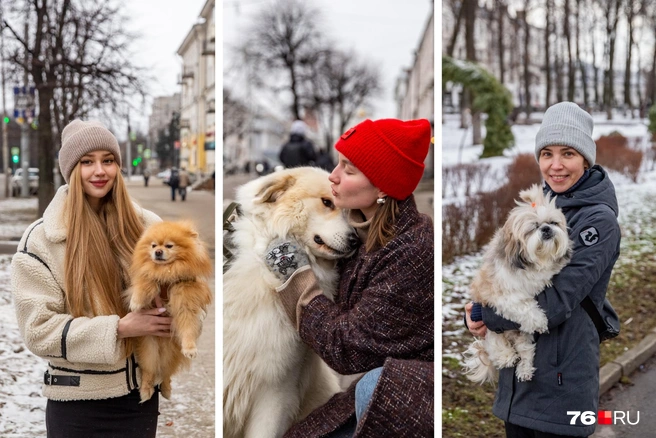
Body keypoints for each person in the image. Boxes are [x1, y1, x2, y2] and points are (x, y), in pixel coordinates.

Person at [264, 118, 434, 437]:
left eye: (349, 169)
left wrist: (296, 279)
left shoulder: (412, 250)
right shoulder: (362, 228)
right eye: (338, 162)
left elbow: (345, 346)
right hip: (374, 385)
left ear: (383, 186)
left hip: (406, 397)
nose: (333, 176)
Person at [465, 102, 621, 438]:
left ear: (585, 159)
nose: (555, 165)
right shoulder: (542, 207)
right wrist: (478, 307)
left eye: (568, 153)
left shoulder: (598, 221)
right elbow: (506, 273)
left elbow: (556, 302)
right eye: (547, 153)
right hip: (522, 381)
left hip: (562, 381)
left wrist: (485, 313)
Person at [10, 120, 170, 438]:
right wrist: (120, 328)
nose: (99, 171)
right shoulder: (41, 239)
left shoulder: (148, 227)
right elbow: (38, 331)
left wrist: (176, 310)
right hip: (75, 404)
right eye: (87, 162)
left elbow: (190, 300)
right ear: (71, 170)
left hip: (138, 399)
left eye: (107, 160)